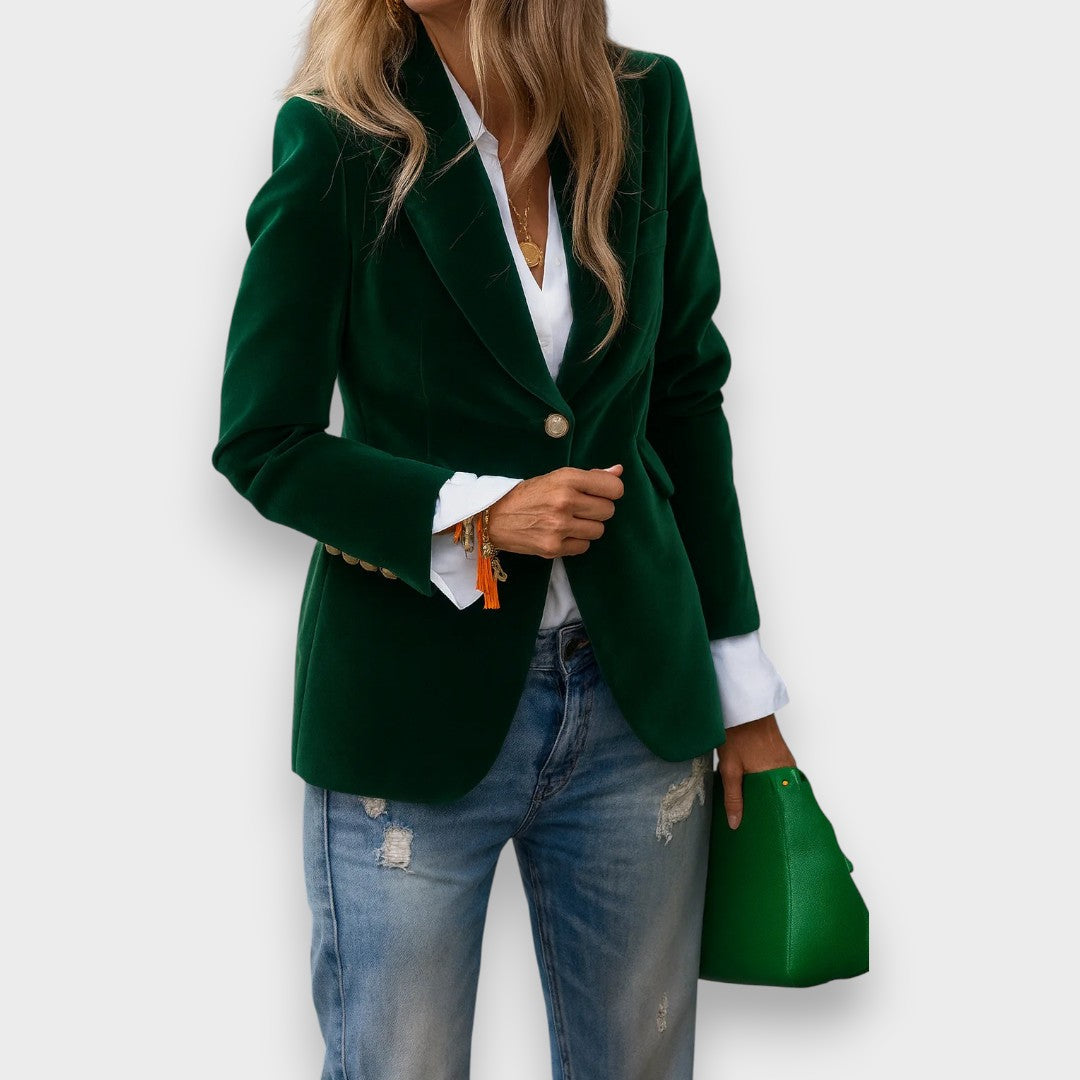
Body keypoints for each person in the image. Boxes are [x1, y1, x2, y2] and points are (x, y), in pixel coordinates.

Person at [212, 1, 798, 1076]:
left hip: (637, 700)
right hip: (409, 706)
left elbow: (685, 398)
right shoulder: (339, 131)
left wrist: (745, 701)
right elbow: (265, 441)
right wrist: (472, 514)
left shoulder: (645, 104)